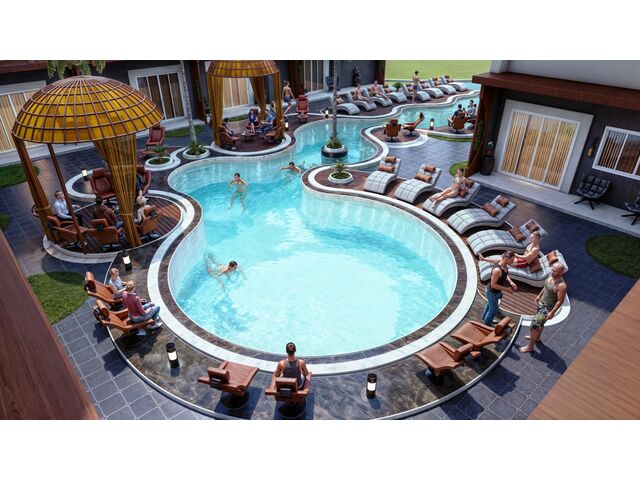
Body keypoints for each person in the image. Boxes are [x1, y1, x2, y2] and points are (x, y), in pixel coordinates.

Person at [520, 263, 567, 353]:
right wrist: (539, 295)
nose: (552, 271)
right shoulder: (551, 275)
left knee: (534, 327)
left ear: (561, 272)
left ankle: (529, 347)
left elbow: (560, 301)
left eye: (554, 271)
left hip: (546, 309)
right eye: (552, 269)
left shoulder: (562, 286)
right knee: (540, 325)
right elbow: (546, 286)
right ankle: (536, 338)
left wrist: (552, 312)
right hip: (541, 304)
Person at [482, 251, 517, 326]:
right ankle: (487, 324)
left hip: (496, 292)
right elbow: (493, 285)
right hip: (492, 292)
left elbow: (504, 275)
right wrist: (507, 289)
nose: (513, 261)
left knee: (489, 305)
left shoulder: (503, 264)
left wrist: (511, 282)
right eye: (512, 260)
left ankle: (485, 318)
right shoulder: (497, 270)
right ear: (506, 259)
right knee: (493, 310)